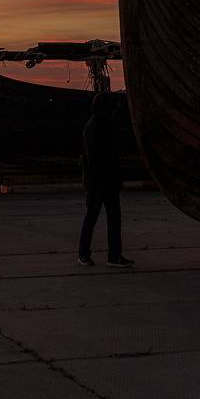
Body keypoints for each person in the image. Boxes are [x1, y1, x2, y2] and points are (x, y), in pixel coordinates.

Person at [78, 92, 132, 268]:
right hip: (101, 180)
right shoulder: (98, 126)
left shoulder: (96, 125)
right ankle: (105, 255)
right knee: (104, 218)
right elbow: (100, 156)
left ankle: (95, 255)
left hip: (101, 180)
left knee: (100, 218)